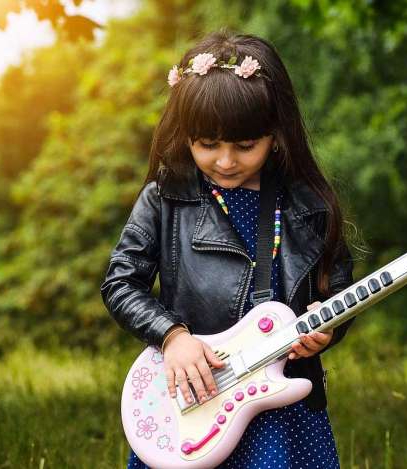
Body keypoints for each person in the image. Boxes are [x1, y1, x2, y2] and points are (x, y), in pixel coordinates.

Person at [100, 30, 356, 468]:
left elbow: (339, 286)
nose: (225, 161)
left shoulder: (307, 202)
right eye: (207, 144)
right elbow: (122, 282)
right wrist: (172, 336)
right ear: (186, 136)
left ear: (276, 134)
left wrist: (329, 329)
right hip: (197, 394)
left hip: (283, 407)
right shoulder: (165, 197)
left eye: (244, 146)